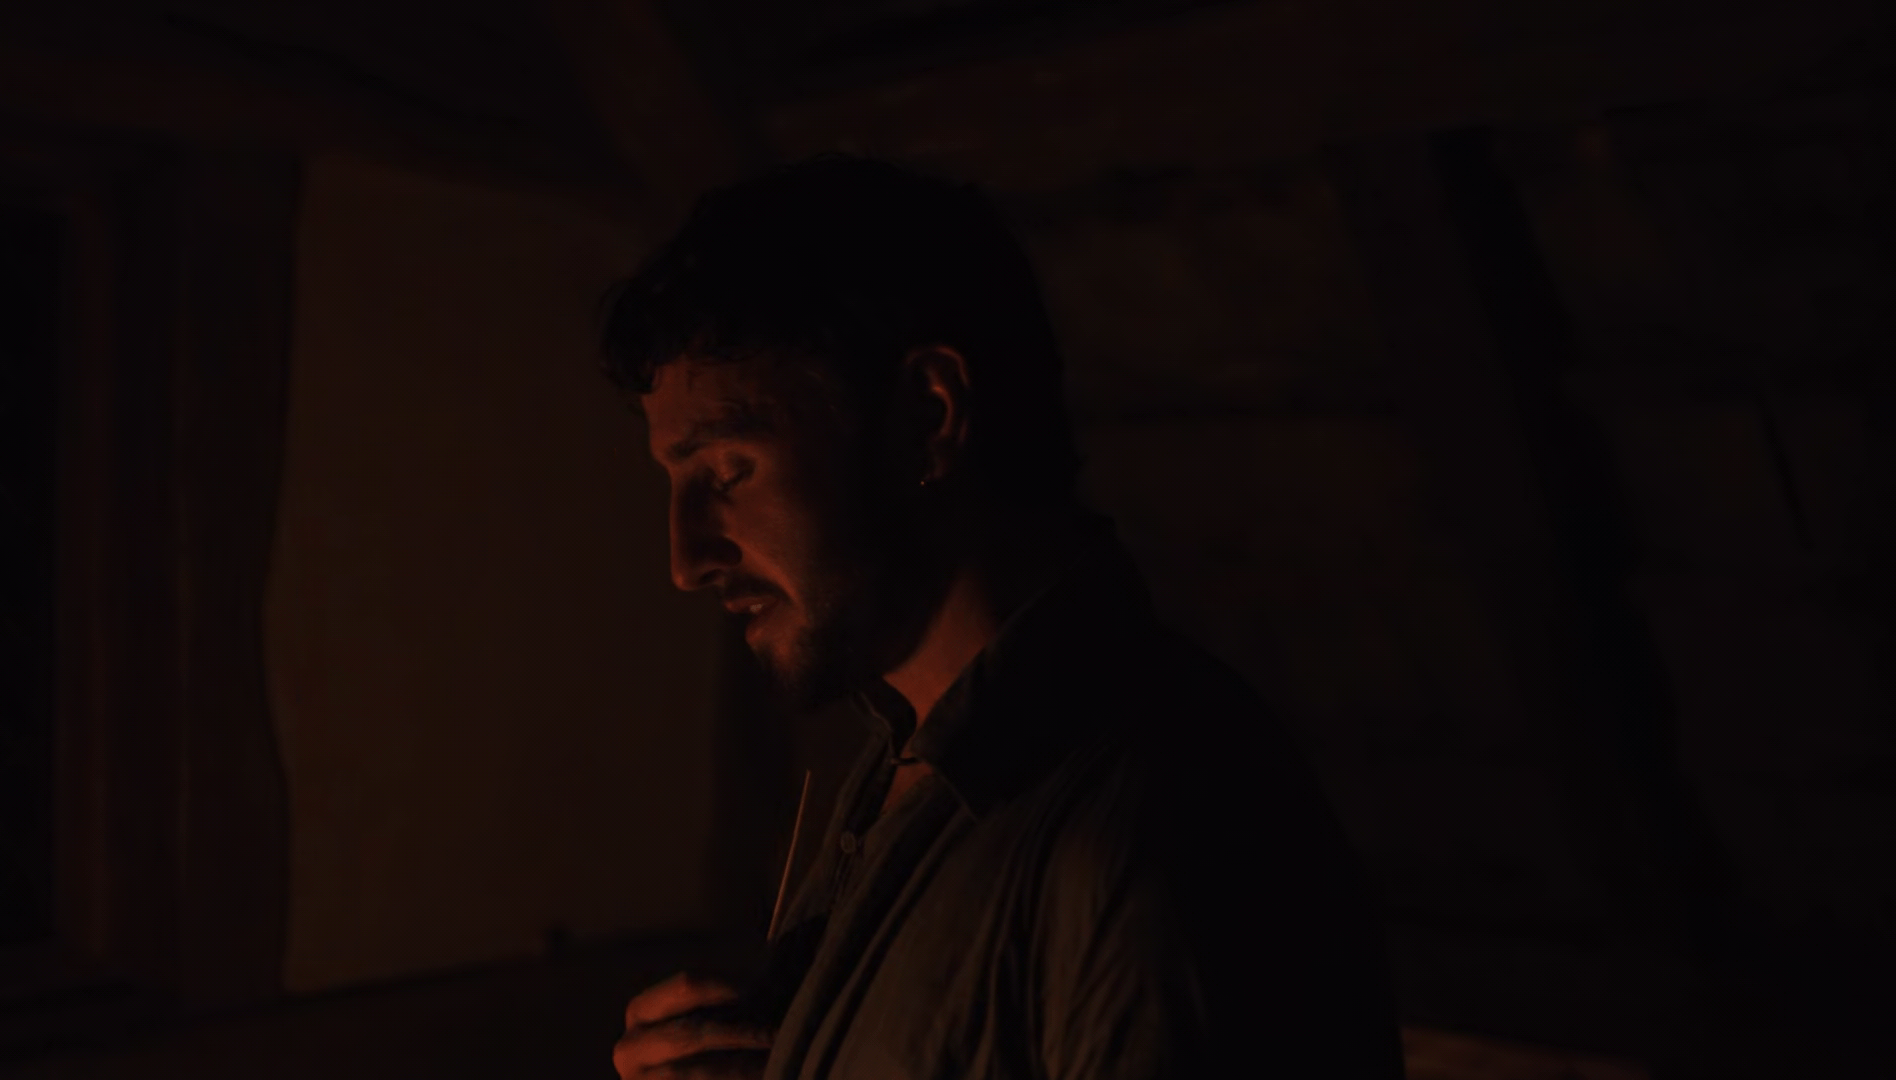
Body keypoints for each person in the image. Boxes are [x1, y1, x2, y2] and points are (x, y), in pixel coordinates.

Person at [601, 156, 1405, 1080]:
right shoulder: (904, 773)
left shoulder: (1155, 828)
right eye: (675, 483)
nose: (686, 559)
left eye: (728, 471)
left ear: (927, 416)